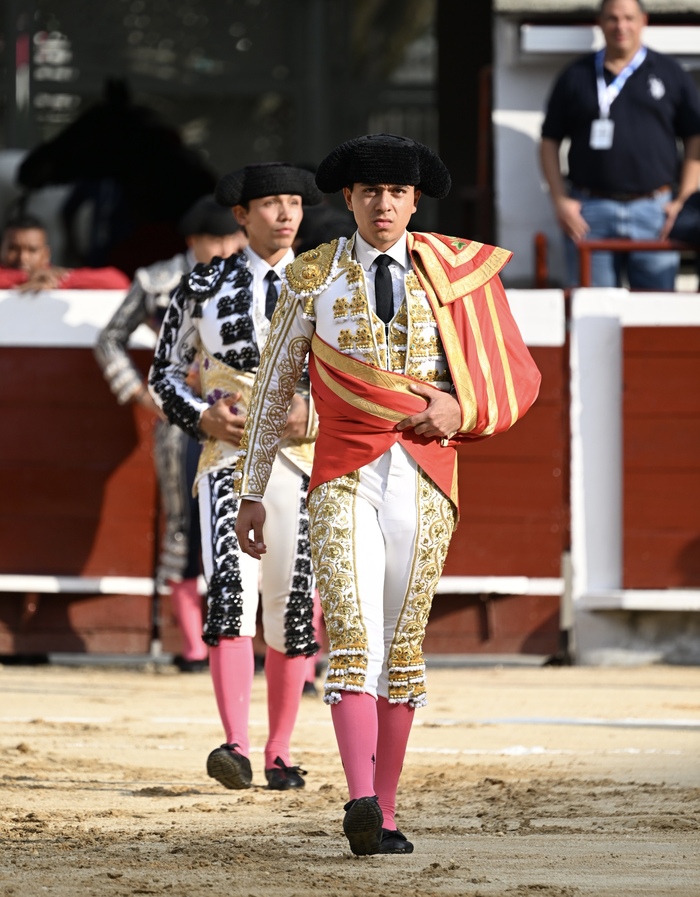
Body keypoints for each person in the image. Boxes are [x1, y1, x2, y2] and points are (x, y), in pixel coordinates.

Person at [233, 133, 542, 855]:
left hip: (427, 477)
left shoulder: (452, 272)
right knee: (352, 639)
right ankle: (361, 799)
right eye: (371, 191)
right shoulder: (311, 276)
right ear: (349, 198)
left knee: (401, 650)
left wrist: (460, 410)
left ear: (414, 200)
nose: (384, 204)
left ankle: (389, 813)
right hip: (342, 475)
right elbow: (274, 388)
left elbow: (505, 373)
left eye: (397, 192)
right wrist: (252, 491)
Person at [148, 163, 323, 790]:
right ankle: (236, 745)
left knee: (291, 599)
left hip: (303, 460)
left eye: (294, 203)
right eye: (272, 203)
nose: (286, 214)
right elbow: (164, 375)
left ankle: (280, 751)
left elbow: (360, 378)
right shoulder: (201, 284)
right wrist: (201, 417)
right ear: (243, 216)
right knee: (229, 589)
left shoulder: (329, 282)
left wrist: (315, 414)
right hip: (227, 457)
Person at [95, 196, 248, 673]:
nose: (226, 247)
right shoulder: (157, 281)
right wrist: (141, 395)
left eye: (232, 237)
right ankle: (194, 646)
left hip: (244, 419)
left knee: (255, 525)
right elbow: (109, 339)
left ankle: (254, 643)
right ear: (192, 241)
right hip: (183, 420)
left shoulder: (258, 277)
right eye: (216, 239)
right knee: (185, 523)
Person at [539, 0, 700, 290]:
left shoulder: (670, 72)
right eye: (612, 18)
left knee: (655, 309)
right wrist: (560, 200)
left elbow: (695, 138)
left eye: (628, 18)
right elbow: (549, 140)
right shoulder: (576, 75)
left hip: (655, 211)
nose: (621, 26)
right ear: (600, 22)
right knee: (593, 309)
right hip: (590, 212)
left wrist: (683, 202)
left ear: (643, 21)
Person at [0, 213, 130, 290]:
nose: (23, 257)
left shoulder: (56, 277)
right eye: (13, 249)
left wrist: (59, 281)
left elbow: (119, 282)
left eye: (32, 250)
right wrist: (28, 278)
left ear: (46, 254)